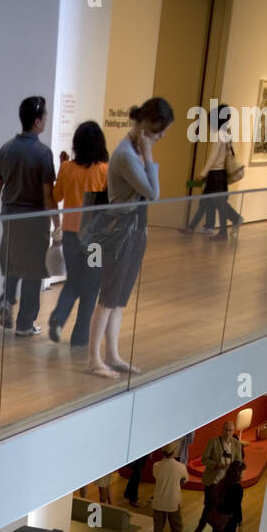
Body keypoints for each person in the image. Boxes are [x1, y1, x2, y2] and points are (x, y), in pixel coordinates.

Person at [86, 97, 174, 378]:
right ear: (147, 126)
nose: (161, 136)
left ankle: (111, 354)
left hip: (134, 229)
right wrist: (149, 155)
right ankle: (94, 358)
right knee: (109, 297)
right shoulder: (125, 154)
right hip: (120, 230)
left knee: (120, 298)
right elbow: (153, 193)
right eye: (159, 131)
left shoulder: (130, 151)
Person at [0, 96, 57, 337]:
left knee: (13, 262)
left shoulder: (6, 149)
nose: (46, 119)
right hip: (35, 220)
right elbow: (48, 195)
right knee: (33, 271)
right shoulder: (44, 153)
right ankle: (25, 323)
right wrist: (57, 223)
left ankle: (6, 299)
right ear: (37, 121)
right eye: (45, 115)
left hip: (10, 216)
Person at [48, 120, 108, 348]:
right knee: (91, 287)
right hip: (95, 240)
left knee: (73, 281)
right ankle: (80, 338)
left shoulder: (67, 168)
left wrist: (63, 166)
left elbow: (57, 195)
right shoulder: (105, 170)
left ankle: (58, 317)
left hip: (72, 234)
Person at [182, 104, 242, 242]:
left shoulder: (219, 134)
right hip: (219, 174)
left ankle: (224, 231)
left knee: (219, 205)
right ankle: (191, 228)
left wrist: (202, 173)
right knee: (206, 202)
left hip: (215, 174)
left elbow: (213, 157)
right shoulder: (226, 133)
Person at [194, 418, 243, 532]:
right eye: (226, 430)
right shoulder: (213, 442)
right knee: (209, 506)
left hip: (227, 483)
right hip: (213, 481)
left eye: (231, 431)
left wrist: (233, 468)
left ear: (233, 431)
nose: (228, 433)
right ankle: (201, 526)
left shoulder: (237, 445)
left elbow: (239, 462)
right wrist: (216, 465)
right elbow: (204, 459)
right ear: (222, 430)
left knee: (221, 508)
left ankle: (215, 531)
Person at [151, 442, 187, 532]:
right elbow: (184, 479)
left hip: (158, 501)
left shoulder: (156, 465)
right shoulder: (180, 467)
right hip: (173, 502)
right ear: (174, 451)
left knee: (158, 528)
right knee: (177, 528)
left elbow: (156, 476)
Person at [209, 458, 246, 532]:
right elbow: (236, 507)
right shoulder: (237, 488)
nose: (244, 474)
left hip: (218, 520)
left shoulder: (223, 482)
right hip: (228, 522)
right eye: (243, 471)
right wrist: (240, 523)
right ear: (238, 472)